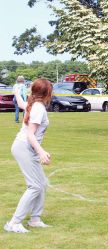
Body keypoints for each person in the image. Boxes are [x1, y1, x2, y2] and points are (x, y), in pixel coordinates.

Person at [4, 78, 53, 233]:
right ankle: (14, 222)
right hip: (24, 147)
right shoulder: (38, 108)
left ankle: (35, 219)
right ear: (48, 93)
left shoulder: (33, 104)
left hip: (25, 147)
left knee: (42, 184)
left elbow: (20, 104)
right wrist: (41, 151)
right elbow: (30, 134)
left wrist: (17, 92)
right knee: (34, 186)